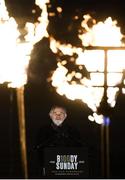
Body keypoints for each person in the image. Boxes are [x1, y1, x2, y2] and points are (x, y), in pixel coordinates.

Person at [33, 105, 88, 178]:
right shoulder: (43, 131)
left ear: (65, 116)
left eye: (61, 113)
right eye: (55, 113)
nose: (58, 115)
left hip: (69, 171)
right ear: (50, 115)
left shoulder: (72, 130)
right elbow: (38, 149)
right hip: (49, 170)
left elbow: (80, 147)